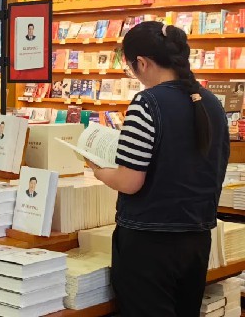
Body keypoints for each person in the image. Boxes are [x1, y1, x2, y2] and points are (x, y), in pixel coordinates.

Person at [86, 22, 229, 317]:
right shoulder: (211, 103)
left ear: (142, 63)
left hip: (149, 240)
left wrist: (98, 170)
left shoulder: (147, 103)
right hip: (197, 236)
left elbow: (130, 181)